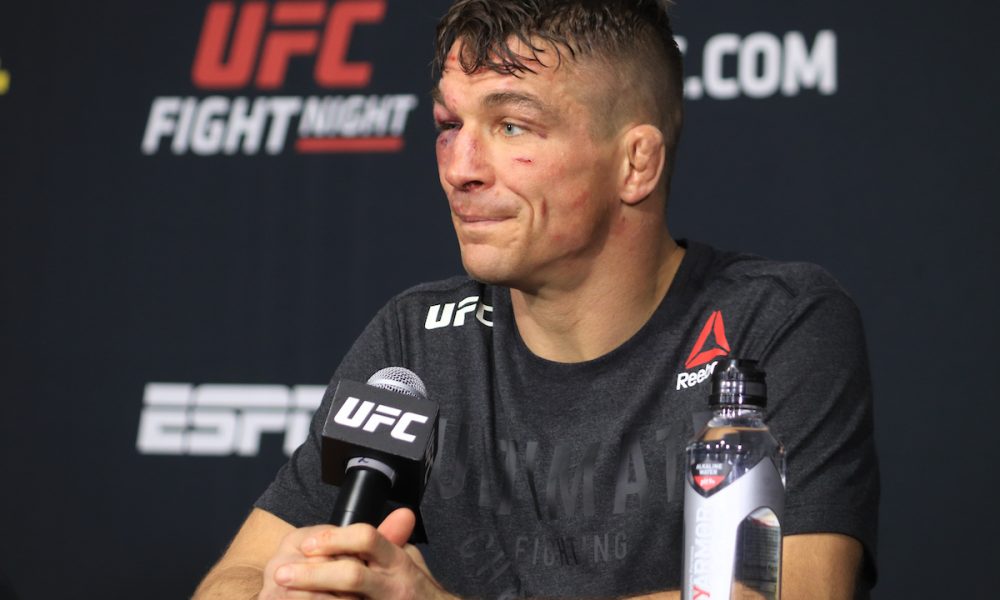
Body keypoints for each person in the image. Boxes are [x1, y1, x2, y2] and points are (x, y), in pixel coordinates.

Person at [194, 0, 879, 598]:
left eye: (512, 126)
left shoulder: (776, 322)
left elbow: (798, 593)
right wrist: (280, 589)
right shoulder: (417, 341)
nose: (460, 168)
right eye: (449, 125)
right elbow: (232, 578)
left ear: (636, 163)